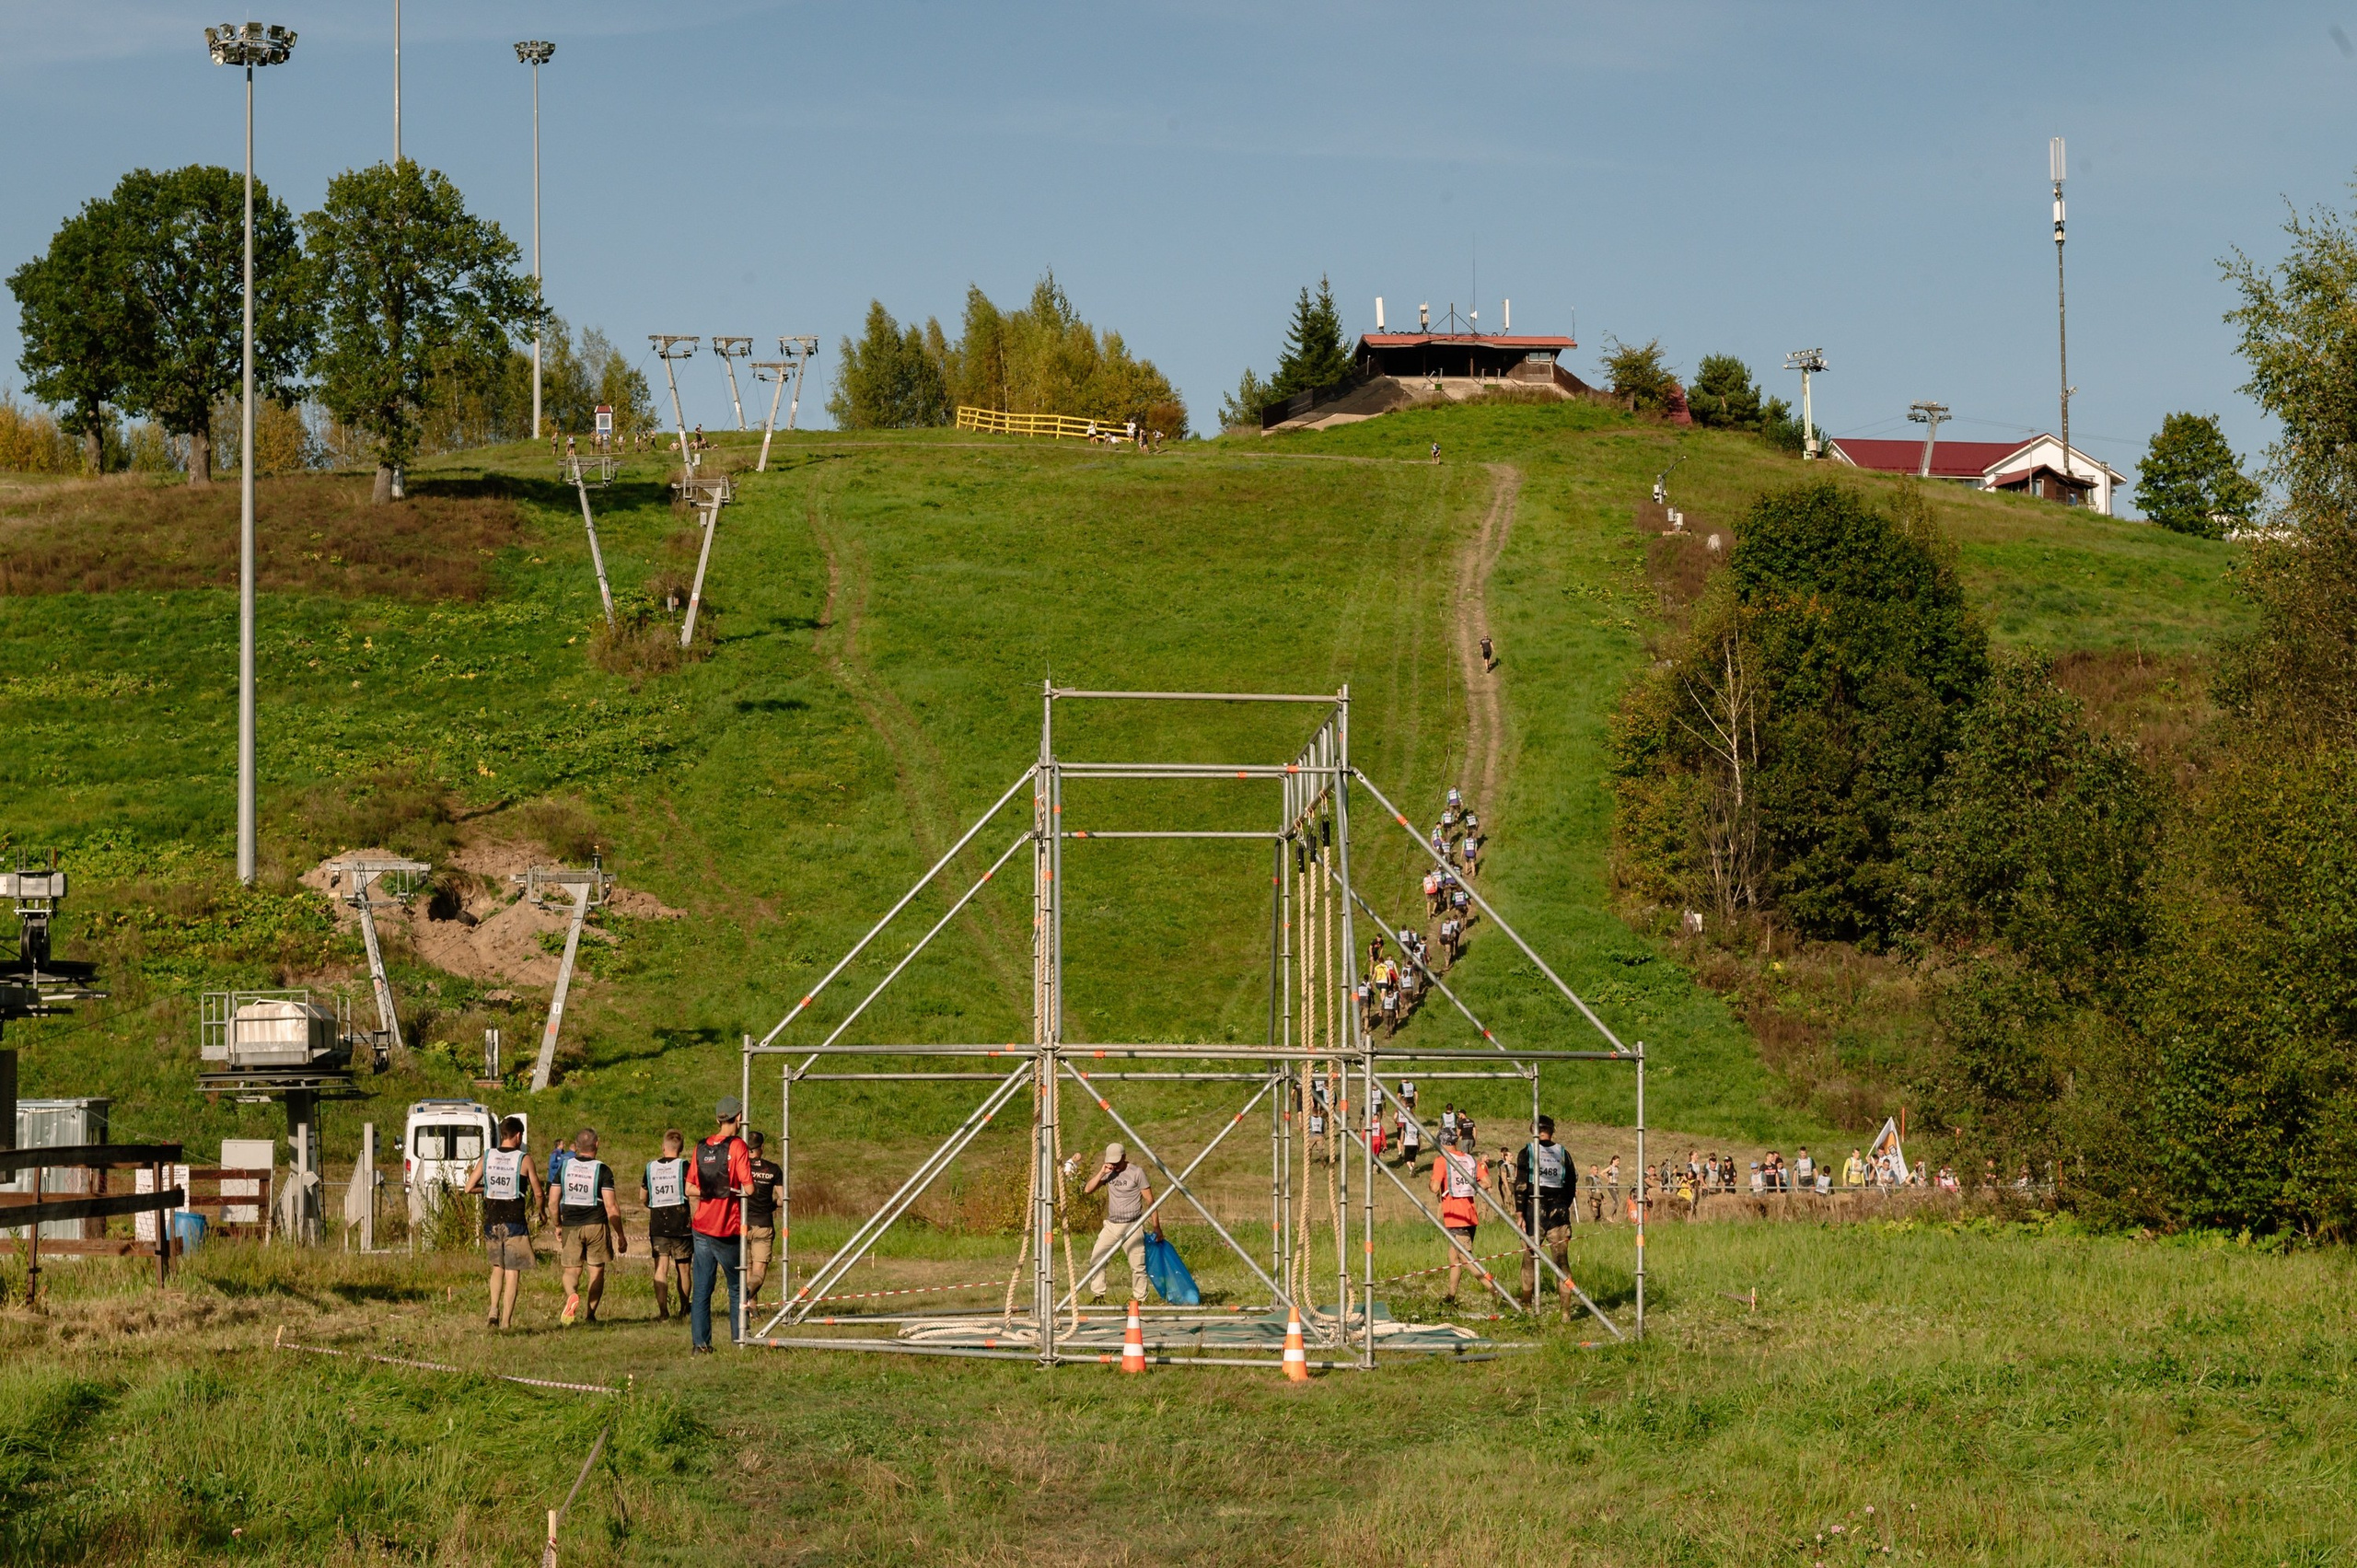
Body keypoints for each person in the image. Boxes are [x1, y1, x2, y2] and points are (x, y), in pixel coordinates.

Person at [688, 1097, 754, 1354]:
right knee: (737, 1287)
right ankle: (740, 1340)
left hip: (701, 1227)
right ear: (738, 1118)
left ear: (718, 1119)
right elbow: (748, 1187)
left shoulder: (700, 1147)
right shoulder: (738, 1147)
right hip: (727, 1229)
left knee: (702, 1289)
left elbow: (689, 1187)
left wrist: (711, 1189)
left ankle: (700, 1345)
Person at [463, 1116, 540, 1330]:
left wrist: (487, 1190)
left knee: (497, 1267)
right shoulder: (524, 1159)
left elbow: (469, 1188)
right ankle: (506, 1322)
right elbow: (538, 1191)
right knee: (513, 1271)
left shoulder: (487, 1157)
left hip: (492, 1221)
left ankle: (492, 1310)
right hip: (515, 1221)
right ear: (517, 1136)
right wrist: (542, 1211)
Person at [546, 1127, 626, 1326]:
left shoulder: (565, 1167)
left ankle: (572, 1294)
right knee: (596, 1271)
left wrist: (558, 1224)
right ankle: (590, 1315)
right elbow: (611, 1206)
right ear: (596, 1145)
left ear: (576, 1146)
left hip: (571, 1225)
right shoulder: (603, 1169)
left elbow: (552, 1202)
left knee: (571, 1271)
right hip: (596, 1225)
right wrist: (621, 1235)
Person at [1513, 1117, 1579, 1316]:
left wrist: (1519, 1213)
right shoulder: (1563, 1153)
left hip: (1534, 1211)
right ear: (1552, 1131)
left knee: (1529, 1258)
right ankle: (1565, 1311)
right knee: (1561, 1262)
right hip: (1558, 1214)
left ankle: (1526, 1304)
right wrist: (1562, 1206)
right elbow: (1571, 1185)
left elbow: (1521, 1185)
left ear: (1533, 1129)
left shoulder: (1527, 1151)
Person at [1082, 1143, 1158, 1304]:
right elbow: (1088, 1190)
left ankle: (1140, 1299)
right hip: (1111, 1225)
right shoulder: (1108, 1172)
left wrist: (1157, 1227)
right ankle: (1098, 1296)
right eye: (1111, 1162)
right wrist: (1102, 1172)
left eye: (1117, 1162)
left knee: (1138, 1265)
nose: (1114, 1165)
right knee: (1097, 1259)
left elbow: (1151, 1201)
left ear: (1124, 1157)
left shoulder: (1137, 1173)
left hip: (1133, 1225)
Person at [642, 1130, 692, 1321]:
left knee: (660, 1268)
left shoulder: (650, 1167)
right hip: (682, 1224)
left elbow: (642, 1197)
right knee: (684, 1269)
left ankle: (663, 1313)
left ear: (663, 1148)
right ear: (681, 1149)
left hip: (658, 1224)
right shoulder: (685, 1166)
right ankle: (684, 1308)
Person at [1430, 1140, 1487, 1302]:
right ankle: (1450, 1296)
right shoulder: (1469, 1159)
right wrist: (1467, 1188)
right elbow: (1487, 1182)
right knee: (1453, 1258)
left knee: (1465, 1259)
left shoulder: (1442, 1160)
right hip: (1470, 1215)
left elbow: (1434, 1187)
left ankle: (1495, 1290)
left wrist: (1434, 1184)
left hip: (1455, 1217)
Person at [743, 1131, 786, 1309]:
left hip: (742, 1225)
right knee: (758, 1274)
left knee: (746, 1270)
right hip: (764, 1225)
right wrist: (772, 1204)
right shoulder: (773, 1169)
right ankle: (746, 1298)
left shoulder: (741, 1167)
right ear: (762, 1147)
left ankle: (749, 1308)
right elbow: (783, 1200)